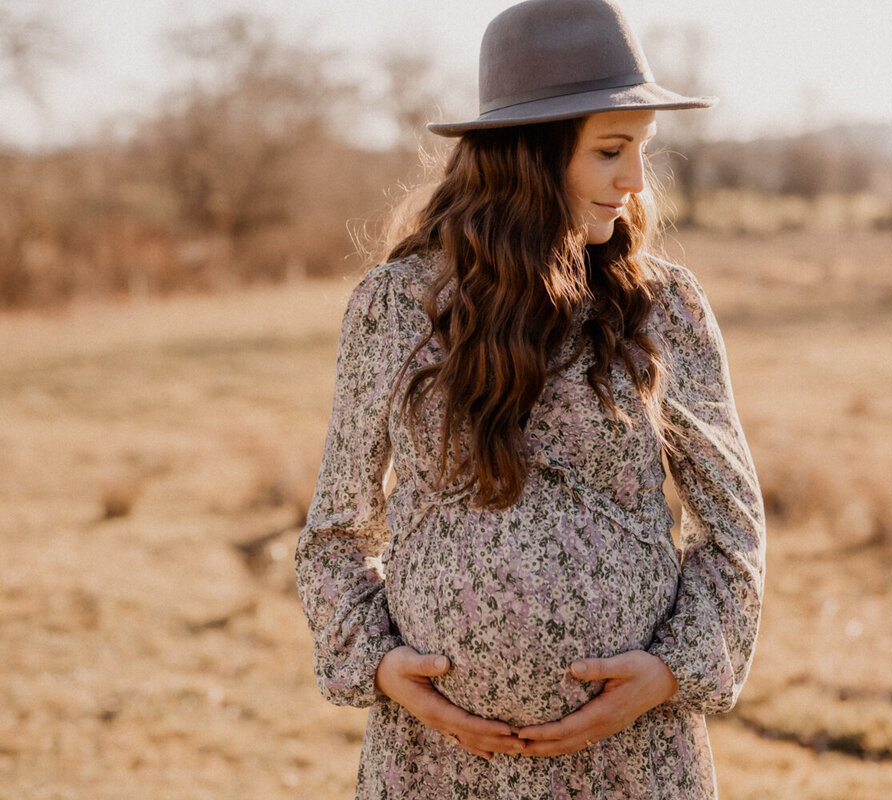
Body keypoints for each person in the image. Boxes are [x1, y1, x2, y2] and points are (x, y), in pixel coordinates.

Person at [295, 0, 765, 797]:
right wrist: (378, 664)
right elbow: (335, 533)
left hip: (633, 764)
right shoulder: (395, 307)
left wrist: (669, 671)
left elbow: (735, 530)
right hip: (435, 767)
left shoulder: (663, 308)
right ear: (529, 158)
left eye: (643, 150)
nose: (636, 181)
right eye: (611, 151)